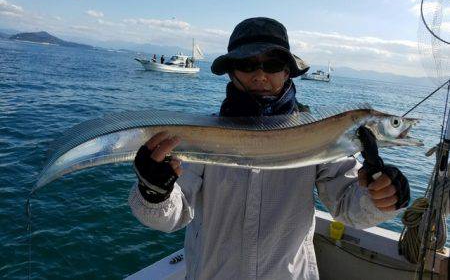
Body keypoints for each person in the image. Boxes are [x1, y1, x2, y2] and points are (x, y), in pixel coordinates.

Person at [129, 17, 410, 279]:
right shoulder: (205, 135)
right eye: (248, 64)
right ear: (231, 72)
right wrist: (154, 191)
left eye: (272, 64)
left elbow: (351, 210)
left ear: (287, 71)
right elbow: (172, 215)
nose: (260, 75)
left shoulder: (317, 135)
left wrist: (381, 194)